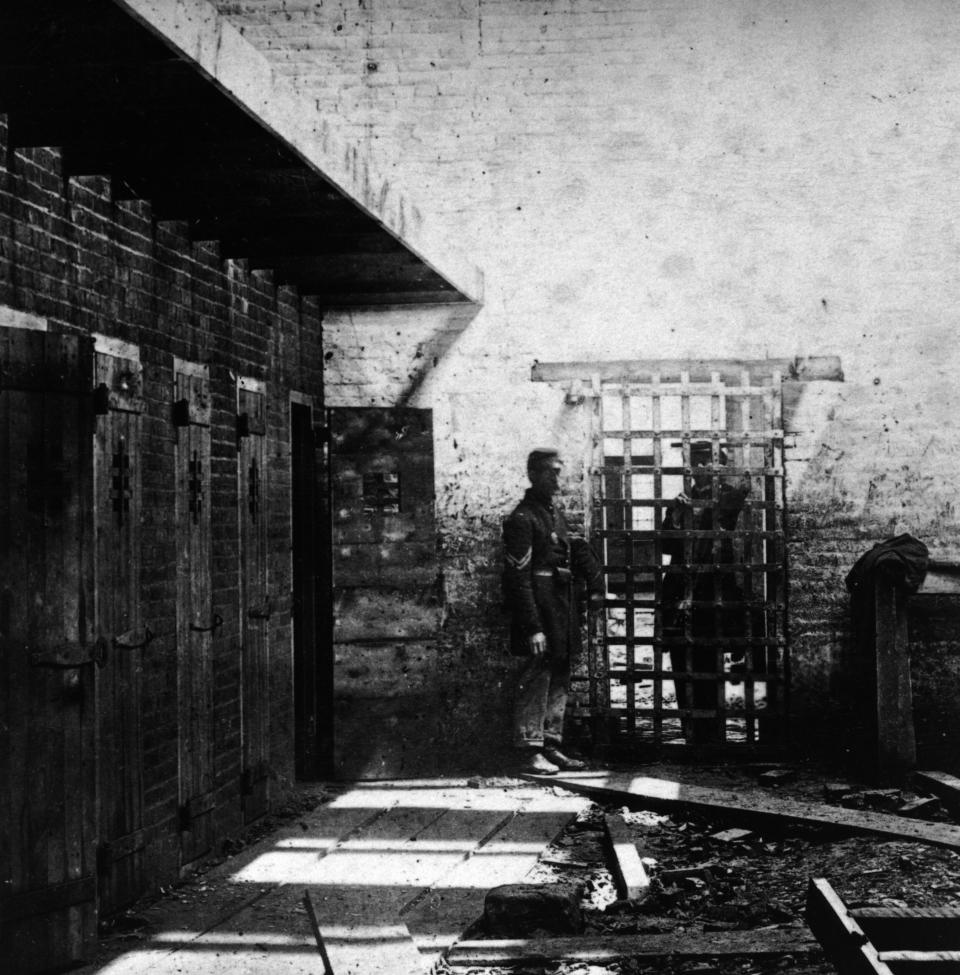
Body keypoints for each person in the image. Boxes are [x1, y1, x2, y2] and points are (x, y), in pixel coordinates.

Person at [502, 448, 605, 775]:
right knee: (537, 676)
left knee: (559, 674)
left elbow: (566, 549)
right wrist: (532, 626)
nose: (557, 478)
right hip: (541, 612)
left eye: (560, 472)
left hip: (560, 608)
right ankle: (528, 749)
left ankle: (551, 743)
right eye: (551, 472)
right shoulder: (523, 518)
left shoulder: (552, 514)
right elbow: (517, 577)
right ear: (533, 474)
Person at [661, 441, 750, 744]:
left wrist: (693, 511)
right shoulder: (681, 501)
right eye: (697, 463)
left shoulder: (728, 495)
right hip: (680, 595)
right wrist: (675, 516)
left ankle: (712, 735)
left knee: (709, 663)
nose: (704, 469)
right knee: (682, 663)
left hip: (713, 594)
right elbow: (666, 547)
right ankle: (690, 733)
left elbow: (725, 518)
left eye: (712, 463)